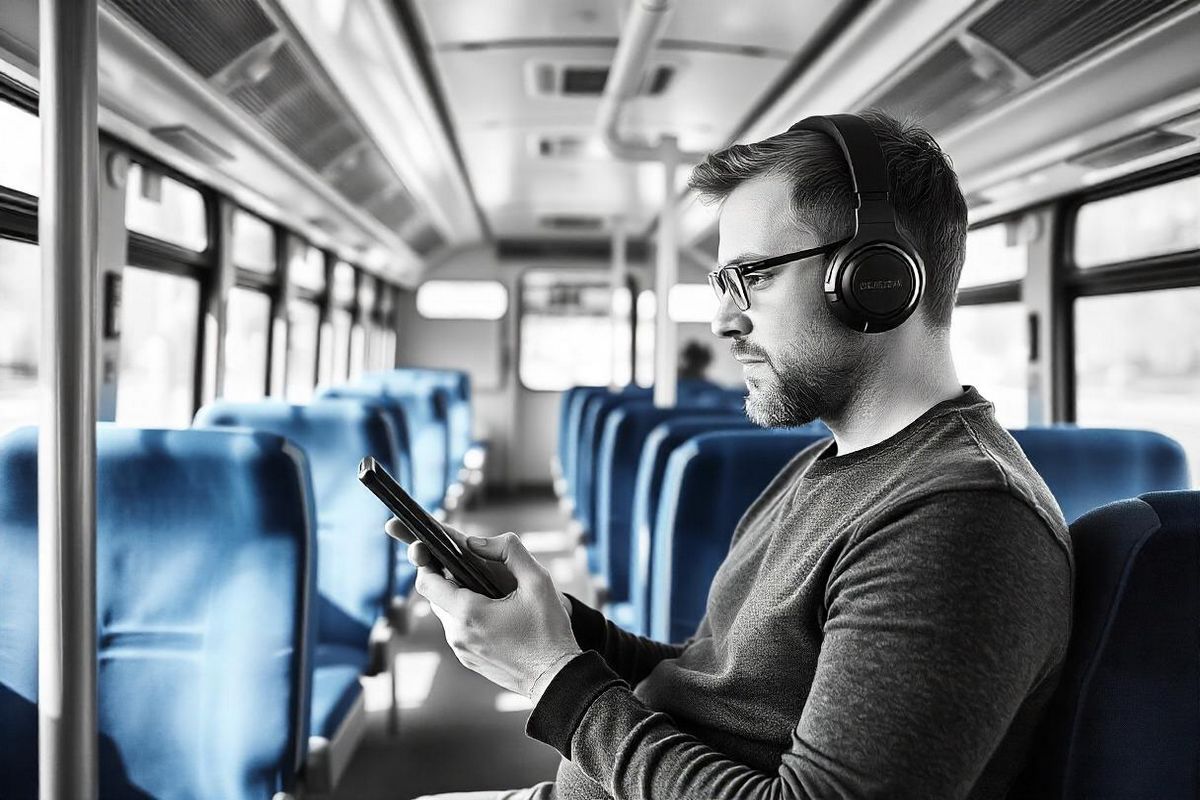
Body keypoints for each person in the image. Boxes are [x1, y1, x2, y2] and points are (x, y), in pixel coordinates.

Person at [393, 110, 1073, 799]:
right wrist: (560, 623)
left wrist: (551, 679)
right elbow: (714, 683)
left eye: (754, 276)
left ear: (878, 279)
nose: (723, 320)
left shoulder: (960, 519)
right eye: (723, 283)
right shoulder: (828, 465)